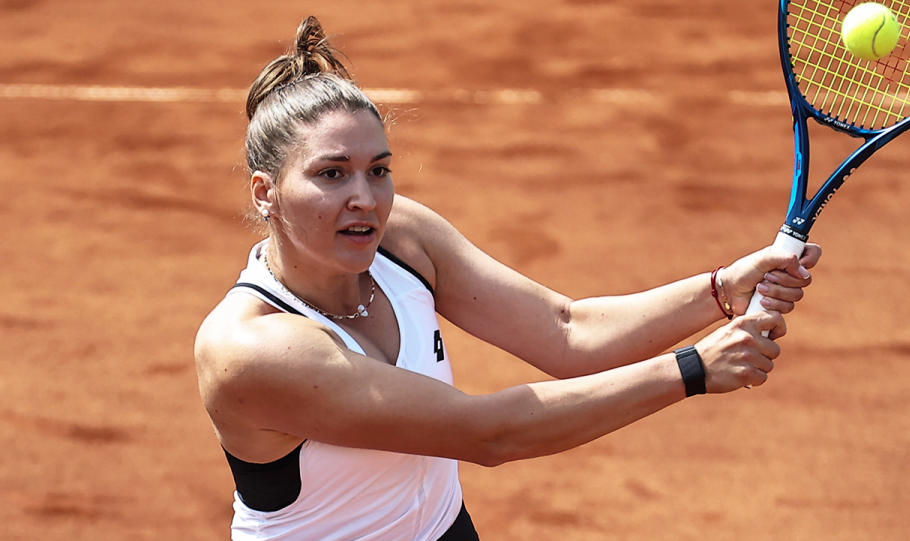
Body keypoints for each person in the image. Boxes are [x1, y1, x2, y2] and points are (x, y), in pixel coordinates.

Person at [194, 15, 822, 541]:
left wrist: (718, 290)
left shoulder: (402, 237)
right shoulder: (253, 348)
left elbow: (565, 331)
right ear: (266, 193)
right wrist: (693, 369)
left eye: (378, 170)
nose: (366, 198)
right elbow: (489, 432)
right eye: (332, 174)